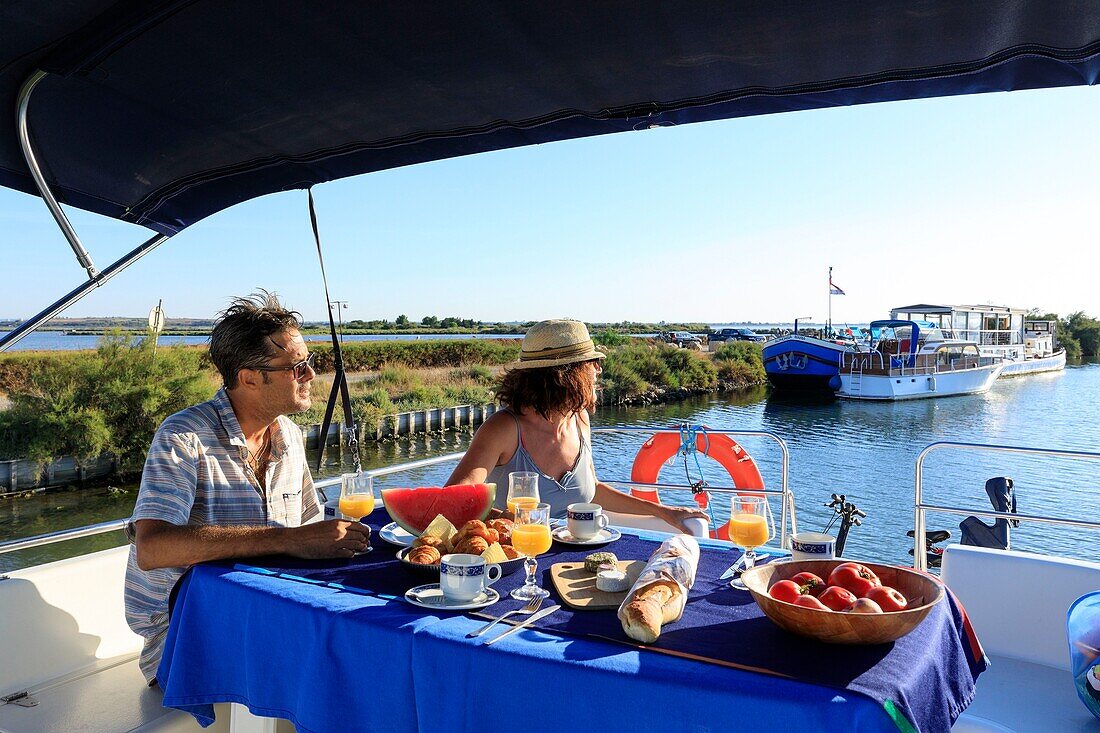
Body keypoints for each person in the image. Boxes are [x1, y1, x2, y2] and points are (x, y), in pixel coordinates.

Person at [124, 292, 370, 683]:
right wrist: (284, 539)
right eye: (297, 367)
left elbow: (307, 534)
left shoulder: (287, 434)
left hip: (271, 613)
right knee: (346, 676)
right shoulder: (183, 437)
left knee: (371, 655)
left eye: (310, 363)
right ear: (249, 377)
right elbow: (152, 549)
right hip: (187, 637)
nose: (310, 375)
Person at [446, 319, 708, 532]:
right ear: (567, 375)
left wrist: (663, 511)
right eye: (593, 363)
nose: (599, 370)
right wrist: (500, 519)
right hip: (518, 552)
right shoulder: (503, 429)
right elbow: (454, 498)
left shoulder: (579, 419)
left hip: (575, 550)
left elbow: (593, 491)